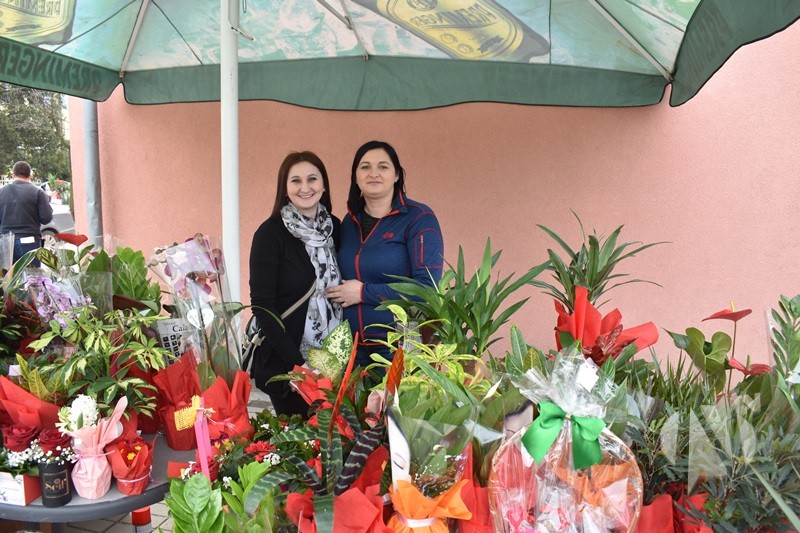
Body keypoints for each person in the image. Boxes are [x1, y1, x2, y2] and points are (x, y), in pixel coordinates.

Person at [326, 140, 444, 368]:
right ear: (356, 176)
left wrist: (363, 292)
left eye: (383, 166)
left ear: (397, 174)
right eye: (365, 167)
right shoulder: (349, 222)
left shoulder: (419, 218)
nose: (373, 173)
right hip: (351, 349)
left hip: (398, 346)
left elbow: (426, 289)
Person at [249, 151, 343, 417]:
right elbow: (262, 306)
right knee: (300, 436)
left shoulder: (336, 228)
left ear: (323, 185)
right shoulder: (270, 234)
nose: (305, 188)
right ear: (285, 187)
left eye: (312, 179)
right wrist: (299, 366)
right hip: (289, 365)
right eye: (296, 181)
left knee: (336, 435)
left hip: (335, 357)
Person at [0, 161, 53, 264]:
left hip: (6, 242)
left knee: (8, 273)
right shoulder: (38, 192)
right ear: (30, 175)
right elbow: (46, 218)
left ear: (13, 174)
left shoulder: (1, 192)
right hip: (30, 241)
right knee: (32, 273)